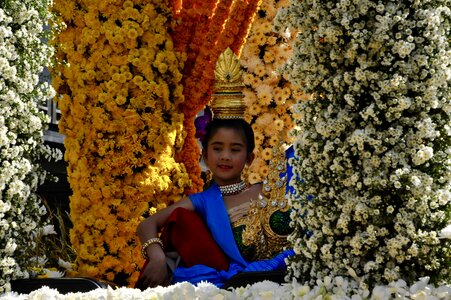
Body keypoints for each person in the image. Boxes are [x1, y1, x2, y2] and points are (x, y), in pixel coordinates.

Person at [135, 48, 295, 289]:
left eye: (235, 149)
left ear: (249, 158)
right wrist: (156, 256)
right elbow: (147, 225)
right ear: (205, 156)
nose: (225, 157)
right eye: (218, 148)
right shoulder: (202, 202)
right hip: (237, 286)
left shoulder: (271, 188)